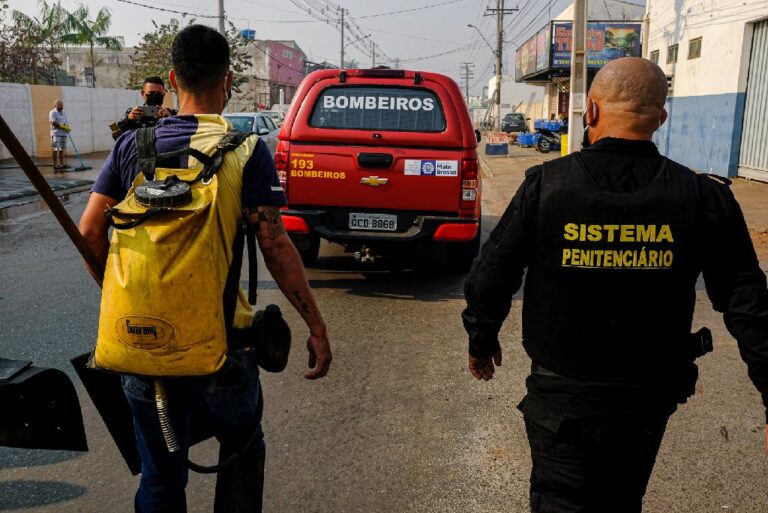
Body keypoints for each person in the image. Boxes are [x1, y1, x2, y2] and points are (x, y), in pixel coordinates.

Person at [462, 57, 768, 513]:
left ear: (591, 112)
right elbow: (748, 301)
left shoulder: (546, 187)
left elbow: (491, 275)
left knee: (561, 502)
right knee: (623, 499)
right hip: (647, 401)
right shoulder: (703, 197)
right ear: (660, 118)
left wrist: (481, 340)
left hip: (561, 399)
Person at [79, 24, 332, 513]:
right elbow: (275, 243)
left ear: (173, 78)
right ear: (229, 80)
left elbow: (91, 232)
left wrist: (118, 291)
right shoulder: (244, 151)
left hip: (138, 346)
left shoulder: (131, 146)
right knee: (242, 451)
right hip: (221, 352)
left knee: (159, 478)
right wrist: (315, 326)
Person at [111, 76, 177, 140]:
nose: (155, 95)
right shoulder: (133, 113)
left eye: (158, 93)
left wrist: (170, 119)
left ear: (163, 94)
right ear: (143, 93)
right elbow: (116, 137)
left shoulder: (172, 114)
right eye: (151, 93)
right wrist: (128, 120)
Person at [49, 99, 70, 171]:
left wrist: (67, 127)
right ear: (55, 105)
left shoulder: (63, 113)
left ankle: (61, 164)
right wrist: (61, 126)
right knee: (55, 149)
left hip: (63, 133)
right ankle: (55, 164)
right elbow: (52, 122)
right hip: (56, 133)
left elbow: (65, 122)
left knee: (62, 149)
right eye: (59, 105)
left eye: (62, 105)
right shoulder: (53, 112)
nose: (61, 106)